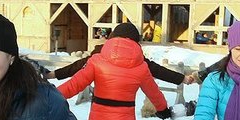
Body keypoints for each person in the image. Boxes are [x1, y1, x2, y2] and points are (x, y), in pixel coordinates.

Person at [49, 22, 188, 86]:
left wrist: (54, 74)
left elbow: (78, 66)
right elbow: (158, 71)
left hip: (100, 108)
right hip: (125, 112)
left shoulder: (100, 53)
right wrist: (182, 79)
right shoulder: (137, 59)